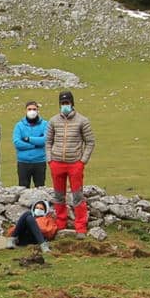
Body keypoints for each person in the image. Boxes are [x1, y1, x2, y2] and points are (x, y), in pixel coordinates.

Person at [45, 90, 96, 233]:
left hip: (75, 164)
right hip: (56, 163)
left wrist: (82, 161)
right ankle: (61, 223)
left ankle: (80, 226)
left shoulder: (82, 120)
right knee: (58, 195)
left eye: (67, 103)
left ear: (72, 103)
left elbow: (90, 142)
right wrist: (50, 159)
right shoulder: (53, 121)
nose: (64, 105)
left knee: (78, 196)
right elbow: (48, 141)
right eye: (62, 103)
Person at [13, 102, 49, 188]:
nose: (32, 111)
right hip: (23, 162)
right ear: (25, 111)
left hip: (39, 162)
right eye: (29, 109)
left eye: (34, 109)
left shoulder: (45, 124)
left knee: (40, 188)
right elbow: (17, 143)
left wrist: (28, 139)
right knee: (23, 188)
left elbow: (45, 140)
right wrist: (35, 145)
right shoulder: (19, 125)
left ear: (38, 110)